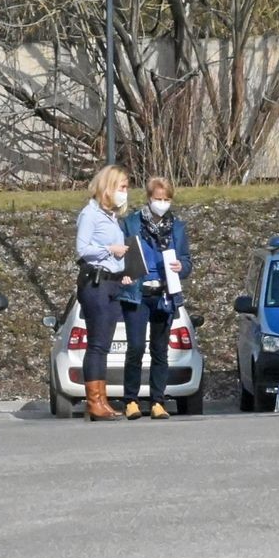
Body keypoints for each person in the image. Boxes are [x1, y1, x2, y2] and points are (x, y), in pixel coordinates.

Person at [119, 177, 193, 420]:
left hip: (164, 294)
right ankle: (130, 399)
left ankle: (157, 401)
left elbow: (187, 262)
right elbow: (122, 256)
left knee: (160, 349)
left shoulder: (177, 228)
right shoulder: (131, 224)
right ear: (149, 198)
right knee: (136, 347)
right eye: (158, 199)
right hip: (139, 294)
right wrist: (125, 274)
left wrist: (181, 266)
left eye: (166, 199)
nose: (162, 203)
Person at [75, 165, 134, 422]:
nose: (125, 192)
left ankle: (102, 398)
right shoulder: (90, 214)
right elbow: (83, 248)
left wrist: (124, 271)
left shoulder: (111, 217)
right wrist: (110, 249)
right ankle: (94, 401)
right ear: (108, 187)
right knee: (97, 344)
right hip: (95, 282)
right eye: (121, 187)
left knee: (104, 344)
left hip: (112, 282)